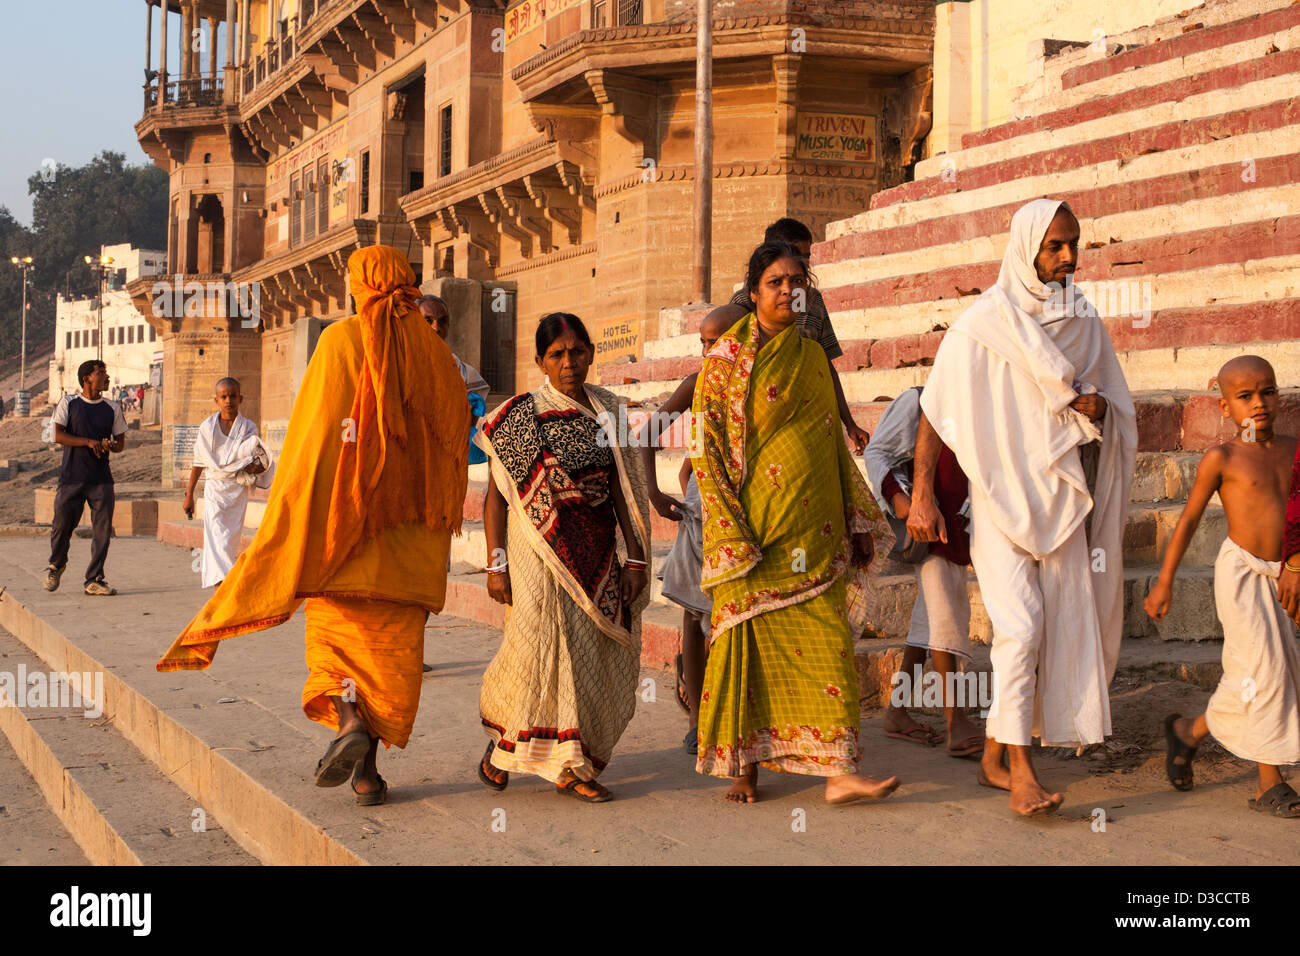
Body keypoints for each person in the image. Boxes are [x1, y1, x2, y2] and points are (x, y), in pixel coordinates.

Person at [158, 245, 472, 807]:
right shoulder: (439, 357)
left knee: (338, 651)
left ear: (360, 286)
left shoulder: (340, 342)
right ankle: (366, 773)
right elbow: (454, 453)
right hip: (414, 545)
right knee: (386, 658)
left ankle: (349, 721)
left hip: (347, 535)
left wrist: (293, 510)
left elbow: (314, 438)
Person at [908, 199, 1137, 816]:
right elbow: (935, 408)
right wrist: (923, 494)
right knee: (1023, 628)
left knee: (1056, 624)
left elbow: (1115, 401)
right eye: (1055, 246)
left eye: (1074, 244)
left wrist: (1098, 411)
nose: (1067, 257)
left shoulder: (1084, 319)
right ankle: (1021, 770)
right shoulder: (985, 322)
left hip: (1063, 497)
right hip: (1000, 499)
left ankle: (992, 757)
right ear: (1027, 248)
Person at [694, 241, 899, 805]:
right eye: (776, 282)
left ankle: (838, 774)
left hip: (816, 530)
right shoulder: (725, 364)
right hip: (754, 534)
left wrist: (858, 518)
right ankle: (746, 768)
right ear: (754, 292)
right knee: (748, 648)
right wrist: (729, 530)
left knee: (830, 643)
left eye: (796, 280)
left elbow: (830, 441)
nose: (788, 290)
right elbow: (706, 450)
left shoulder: (811, 357)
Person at [475, 312, 652, 803]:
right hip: (534, 549)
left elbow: (623, 490)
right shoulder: (515, 416)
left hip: (593, 547)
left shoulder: (609, 412)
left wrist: (635, 558)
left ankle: (519, 749)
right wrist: (496, 562)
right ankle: (560, 764)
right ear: (540, 361)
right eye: (557, 354)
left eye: (577, 351)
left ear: (591, 353)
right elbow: (496, 498)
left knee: (584, 651)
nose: (569, 362)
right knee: (535, 647)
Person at [1146, 355, 1300, 817]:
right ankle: (1268, 783)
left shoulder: (1295, 449)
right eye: (1245, 396)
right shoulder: (1223, 457)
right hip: (1240, 575)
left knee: (1261, 675)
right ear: (1224, 406)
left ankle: (1188, 734)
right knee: (1266, 671)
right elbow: (1189, 519)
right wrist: (1165, 582)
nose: (1259, 404)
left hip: (1286, 572)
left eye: (1268, 392)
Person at [641, 303, 747, 753]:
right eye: (702, 344)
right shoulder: (697, 383)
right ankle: (700, 721)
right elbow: (647, 435)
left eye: (717, 343)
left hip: (746, 522)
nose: (708, 354)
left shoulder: (754, 386)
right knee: (692, 612)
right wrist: (658, 494)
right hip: (702, 521)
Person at [864, 386, 984, 756]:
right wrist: (906, 504)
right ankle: (956, 721)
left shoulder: (981, 399)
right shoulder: (917, 400)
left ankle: (898, 712)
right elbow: (878, 453)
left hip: (964, 526)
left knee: (927, 619)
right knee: (945, 615)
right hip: (928, 526)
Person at [728, 217, 869, 453]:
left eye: (806, 257)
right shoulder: (743, 303)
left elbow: (824, 364)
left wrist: (849, 423)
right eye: (795, 253)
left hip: (810, 420)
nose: (801, 262)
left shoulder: (811, 301)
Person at [44, 359, 127, 596]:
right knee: (61, 525)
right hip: (71, 477)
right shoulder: (68, 403)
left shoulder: (112, 407)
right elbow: (58, 435)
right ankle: (56, 565)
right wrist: (88, 442)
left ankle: (94, 579)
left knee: (102, 530)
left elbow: (120, 443)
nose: (105, 377)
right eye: (100, 373)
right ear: (86, 378)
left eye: (105, 372)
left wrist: (109, 444)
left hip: (101, 479)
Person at [183, 377, 274, 588]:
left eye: (232, 396)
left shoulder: (249, 428)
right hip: (215, 489)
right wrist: (189, 495)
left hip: (237, 490)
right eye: (223, 396)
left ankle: (225, 584)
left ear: (240, 398)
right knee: (217, 538)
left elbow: (260, 461)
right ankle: (225, 585)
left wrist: (254, 467)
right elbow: (199, 462)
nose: (228, 400)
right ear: (216, 400)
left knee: (230, 540)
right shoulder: (207, 428)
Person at [417, 295, 490, 400]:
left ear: (448, 326)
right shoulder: (399, 365)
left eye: (442, 321)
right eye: (428, 321)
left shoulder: (466, 375)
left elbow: (475, 412)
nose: (436, 328)